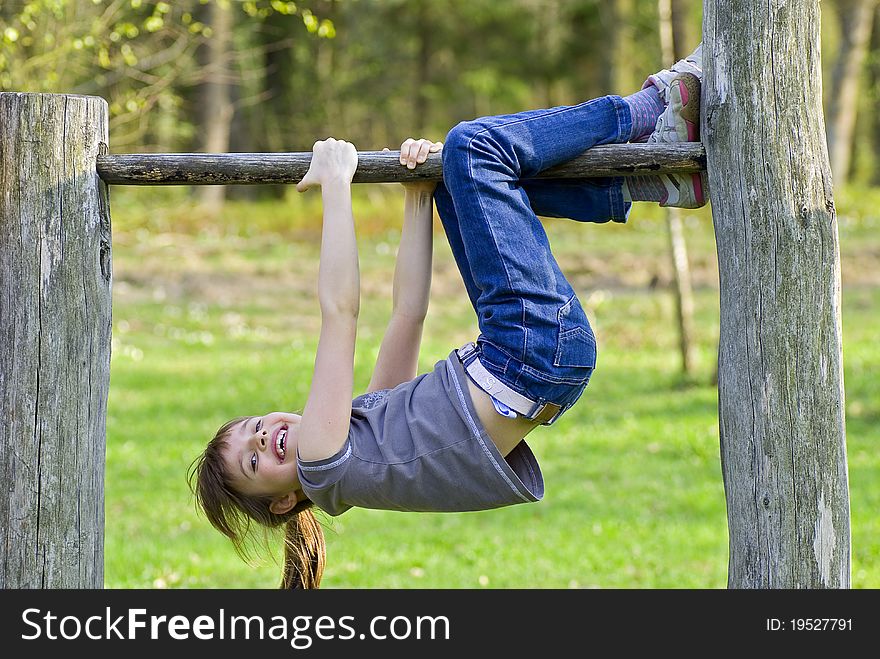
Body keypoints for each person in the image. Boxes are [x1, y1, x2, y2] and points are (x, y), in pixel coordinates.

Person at [188, 45, 706, 589]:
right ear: (284, 502)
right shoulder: (322, 458)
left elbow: (408, 314)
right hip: (527, 355)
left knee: (459, 182)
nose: (264, 437)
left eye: (252, 426)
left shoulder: (362, 441)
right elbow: (339, 312)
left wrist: (419, 196)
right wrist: (336, 185)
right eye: (253, 462)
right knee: (475, 147)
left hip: (531, 357)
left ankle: (649, 180)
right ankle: (652, 107)